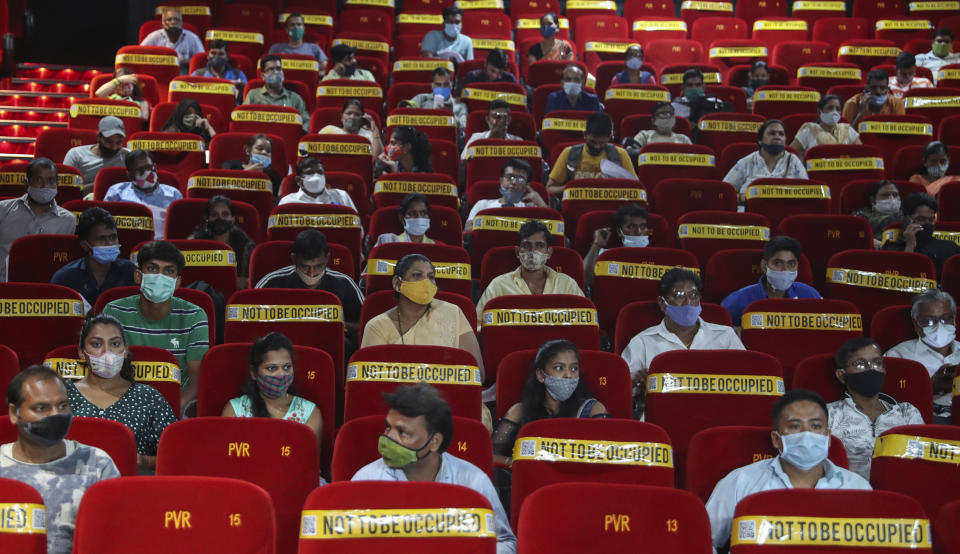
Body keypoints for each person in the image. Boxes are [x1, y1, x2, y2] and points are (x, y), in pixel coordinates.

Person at [352, 383, 515, 553]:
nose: (388, 438)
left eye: (403, 433)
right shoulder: (366, 480)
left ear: (434, 442)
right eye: (388, 428)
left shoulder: (472, 481)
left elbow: (505, 542)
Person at [705, 390, 871, 552]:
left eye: (816, 426)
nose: (807, 434)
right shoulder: (741, 481)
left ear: (827, 437)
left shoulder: (857, 487)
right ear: (776, 439)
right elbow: (704, 540)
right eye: (795, 426)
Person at [1, 366, 121, 554]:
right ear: (14, 414)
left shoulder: (97, 464)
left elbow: (115, 540)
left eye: (63, 406)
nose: (55, 415)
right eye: (41, 408)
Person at [101, 240, 209, 413]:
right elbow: (106, 372)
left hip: (174, 407)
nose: (160, 277)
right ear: (138, 276)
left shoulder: (195, 316)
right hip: (124, 406)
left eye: (169, 271)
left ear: (177, 282)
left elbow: (197, 382)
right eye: (152, 269)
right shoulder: (114, 312)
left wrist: (166, 413)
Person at [621, 268, 744, 414]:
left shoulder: (725, 336)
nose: (688, 303)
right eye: (679, 295)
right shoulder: (643, 342)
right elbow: (620, 392)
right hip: (664, 417)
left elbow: (745, 381)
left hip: (717, 415)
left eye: (693, 295)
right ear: (662, 303)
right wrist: (634, 382)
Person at [67, 314, 177, 470]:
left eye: (115, 344)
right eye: (97, 344)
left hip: (130, 486)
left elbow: (176, 454)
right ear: (81, 352)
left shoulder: (148, 397)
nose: (107, 352)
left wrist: (145, 462)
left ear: (125, 351)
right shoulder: (60, 395)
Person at [360, 254, 484, 379]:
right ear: (397, 283)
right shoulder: (377, 326)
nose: (426, 282)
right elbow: (370, 380)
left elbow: (477, 373)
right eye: (417, 275)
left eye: (431, 277)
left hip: (447, 394)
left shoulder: (452, 312)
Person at [492, 340, 609, 467]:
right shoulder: (519, 411)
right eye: (559, 368)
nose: (568, 375)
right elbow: (490, 455)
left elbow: (608, 455)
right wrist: (514, 463)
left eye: (574, 368)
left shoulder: (594, 409)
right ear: (541, 375)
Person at [827, 337, 923, 480]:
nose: (871, 369)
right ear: (842, 375)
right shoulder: (828, 414)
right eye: (860, 364)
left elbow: (920, 463)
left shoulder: (907, 413)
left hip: (898, 490)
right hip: (847, 493)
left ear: (884, 370)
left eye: (877, 363)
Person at [255, 230, 364, 337]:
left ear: (327, 259)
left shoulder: (343, 283)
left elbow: (366, 323)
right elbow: (250, 320)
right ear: (294, 259)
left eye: (318, 266)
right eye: (305, 266)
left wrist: (339, 325)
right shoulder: (271, 282)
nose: (312, 274)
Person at [476, 220, 585, 325]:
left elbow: (585, 322)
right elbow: (479, 324)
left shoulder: (567, 284)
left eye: (540, 246)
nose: (533, 251)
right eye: (526, 245)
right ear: (518, 252)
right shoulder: (498, 285)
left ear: (549, 253)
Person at [222, 332, 322, 441]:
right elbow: (227, 455)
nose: (281, 374)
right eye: (272, 368)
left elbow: (309, 457)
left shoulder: (309, 413)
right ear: (254, 373)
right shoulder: (235, 410)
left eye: (287, 367)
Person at [886, 289, 959, 423]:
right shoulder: (897, 356)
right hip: (923, 421)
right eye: (929, 321)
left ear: (954, 320)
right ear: (916, 324)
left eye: (946, 319)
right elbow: (887, 404)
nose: (939, 326)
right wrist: (931, 388)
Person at [0, 157, 76, 282]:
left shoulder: (68, 221)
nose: (45, 186)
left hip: (44, 291)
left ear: (57, 183)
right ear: (27, 183)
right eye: (38, 180)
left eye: (51, 180)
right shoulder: (3, 210)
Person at [721, 236, 822, 329]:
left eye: (791, 264)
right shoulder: (737, 301)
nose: (785, 269)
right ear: (764, 266)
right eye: (778, 263)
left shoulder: (810, 296)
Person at [50, 207, 137, 313]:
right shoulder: (65, 278)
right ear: (85, 245)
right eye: (101, 239)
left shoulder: (130, 271)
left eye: (113, 237)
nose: (110, 244)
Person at [545, 112, 637, 195]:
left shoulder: (620, 154)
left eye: (602, 143)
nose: (597, 146)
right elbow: (549, 189)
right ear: (585, 134)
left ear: (610, 137)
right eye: (592, 142)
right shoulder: (568, 153)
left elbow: (636, 189)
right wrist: (570, 187)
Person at [723, 119, 808, 200]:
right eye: (772, 133)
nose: (777, 137)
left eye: (781, 134)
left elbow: (807, 192)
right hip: (751, 211)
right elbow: (724, 191)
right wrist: (740, 198)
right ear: (760, 140)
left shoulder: (793, 161)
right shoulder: (747, 162)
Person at [104, 150, 181, 239]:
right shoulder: (117, 192)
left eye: (149, 167)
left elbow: (179, 229)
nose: (146, 173)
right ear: (129, 175)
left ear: (155, 167)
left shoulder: (173, 194)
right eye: (139, 170)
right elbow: (105, 226)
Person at [881, 192, 960, 279]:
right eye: (921, 219)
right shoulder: (892, 250)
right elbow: (902, 279)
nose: (927, 224)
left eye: (931, 219)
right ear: (905, 219)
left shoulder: (950, 247)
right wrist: (910, 246)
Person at [188, 195, 255, 289]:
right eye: (214, 215)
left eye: (225, 215)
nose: (220, 219)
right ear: (207, 219)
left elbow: (248, 282)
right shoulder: (194, 243)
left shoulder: (246, 245)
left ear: (233, 219)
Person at [465, 159, 546, 231]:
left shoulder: (531, 209)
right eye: (510, 177)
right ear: (501, 180)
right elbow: (468, 231)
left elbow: (548, 233)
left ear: (526, 186)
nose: (514, 182)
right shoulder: (482, 205)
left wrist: (542, 205)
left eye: (520, 179)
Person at [583, 204, 650, 287]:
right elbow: (586, 280)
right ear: (619, 232)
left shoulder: (657, 257)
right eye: (631, 226)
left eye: (643, 226)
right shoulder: (606, 255)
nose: (638, 232)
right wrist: (597, 245)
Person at [243, 55, 310, 132]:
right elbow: (243, 120)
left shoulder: (295, 98)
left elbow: (306, 122)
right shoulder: (253, 95)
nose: (276, 72)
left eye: (278, 69)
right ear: (263, 75)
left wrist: (298, 134)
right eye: (270, 69)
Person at [63, 115, 129, 192]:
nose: (114, 147)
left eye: (119, 142)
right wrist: (101, 185)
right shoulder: (76, 155)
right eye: (109, 142)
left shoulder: (128, 157)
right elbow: (66, 190)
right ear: (98, 137)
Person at [789, 94, 861, 159]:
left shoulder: (848, 130)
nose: (834, 112)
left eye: (838, 109)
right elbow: (790, 154)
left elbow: (862, 154)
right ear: (819, 112)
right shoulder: (809, 130)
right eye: (830, 108)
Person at [140, 8, 205, 75]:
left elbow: (202, 61)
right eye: (169, 20)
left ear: (182, 24)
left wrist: (187, 62)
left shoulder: (192, 38)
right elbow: (139, 55)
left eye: (176, 20)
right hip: (158, 75)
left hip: (182, 77)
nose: (173, 22)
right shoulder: (154, 37)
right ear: (163, 24)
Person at [401, 67, 467, 129]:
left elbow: (463, 129)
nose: (442, 87)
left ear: (451, 84)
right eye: (438, 84)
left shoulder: (461, 106)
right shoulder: (420, 99)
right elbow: (406, 117)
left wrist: (451, 114)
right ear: (432, 86)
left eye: (446, 84)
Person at [279, 157, 357, 210]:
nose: (316, 177)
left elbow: (357, 228)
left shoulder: (341, 196)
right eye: (310, 173)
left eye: (320, 172)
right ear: (298, 180)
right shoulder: (287, 202)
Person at [318, 99, 384, 158]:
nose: (352, 117)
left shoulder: (368, 135)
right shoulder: (329, 130)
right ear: (342, 117)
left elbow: (376, 159)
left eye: (357, 114)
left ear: (362, 118)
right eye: (349, 113)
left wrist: (374, 129)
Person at [841, 69, 906, 128]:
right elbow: (845, 138)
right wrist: (860, 114)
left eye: (882, 88)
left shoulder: (897, 103)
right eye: (873, 87)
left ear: (887, 89)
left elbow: (901, 133)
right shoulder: (851, 103)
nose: (878, 92)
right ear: (866, 88)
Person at [373, 193, 440, 247]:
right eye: (412, 213)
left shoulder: (438, 247)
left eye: (423, 213)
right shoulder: (386, 242)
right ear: (401, 218)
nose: (419, 217)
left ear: (429, 217)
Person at [851, 180, 903, 245]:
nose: (891, 199)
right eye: (885, 195)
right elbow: (855, 236)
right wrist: (870, 241)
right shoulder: (860, 216)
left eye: (895, 195)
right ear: (873, 200)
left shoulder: (907, 215)